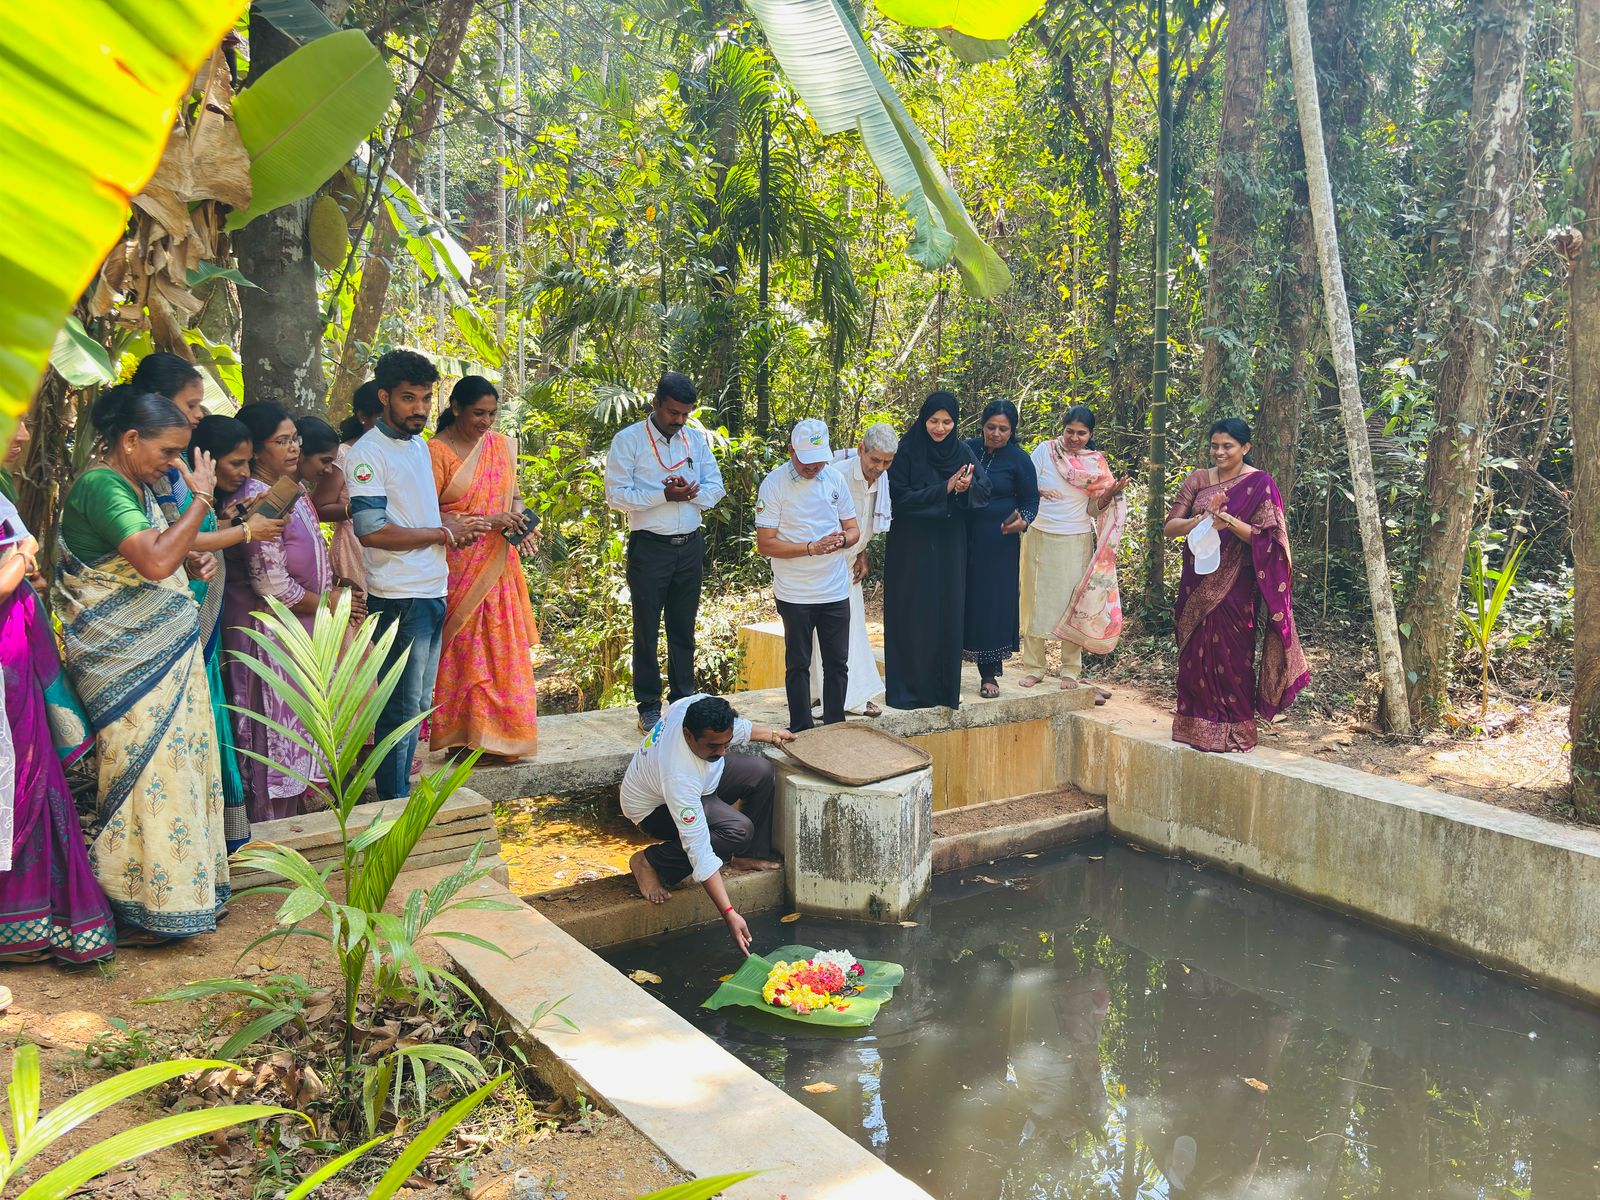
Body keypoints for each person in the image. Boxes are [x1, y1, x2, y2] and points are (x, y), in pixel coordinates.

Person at [55, 386, 229, 942]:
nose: (174, 463)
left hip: (163, 654)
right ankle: (138, 904)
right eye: (168, 451)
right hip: (125, 660)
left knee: (177, 768)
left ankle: (180, 895)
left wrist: (190, 562)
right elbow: (153, 562)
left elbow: (160, 555)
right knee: (147, 773)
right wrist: (200, 500)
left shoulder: (135, 485)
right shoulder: (101, 486)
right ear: (130, 440)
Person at [347, 350, 488, 800]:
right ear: (384, 396)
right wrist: (443, 533)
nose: (420, 409)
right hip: (399, 595)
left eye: (426, 398)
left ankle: (402, 793)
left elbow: (413, 515)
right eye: (409, 398)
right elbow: (370, 531)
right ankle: (393, 805)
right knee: (401, 707)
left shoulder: (416, 447)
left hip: (430, 588)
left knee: (419, 704)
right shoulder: (368, 454)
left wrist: (449, 527)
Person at [0, 465, 114, 965]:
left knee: (28, 776)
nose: (22, 433)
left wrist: (23, 566)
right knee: (17, 779)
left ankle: (28, 922)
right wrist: (22, 554)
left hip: (13, 649)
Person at [1163, 418, 1309, 752]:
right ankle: (1193, 725)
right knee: (1194, 655)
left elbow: (1269, 538)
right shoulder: (1198, 479)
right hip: (1196, 580)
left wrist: (1226, 520)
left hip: (1236, 586)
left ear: (1245, 447)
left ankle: (1235, 730)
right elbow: (1170, 527)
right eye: (1214, 445)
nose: (1219, 452)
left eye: (1227, 446)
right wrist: (1202, 519)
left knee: (1232, 656)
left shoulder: (1260, 483)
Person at [222, 403, 331, 822]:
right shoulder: (257, 499)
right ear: (255, 449)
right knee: (270, 739)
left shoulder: (289, 490)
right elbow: (271, 585)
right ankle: (266, 833)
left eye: (295, 439)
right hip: (265, 636)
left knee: (295, 733)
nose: (293, 448)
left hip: (296, 633)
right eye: (282, 441)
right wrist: (330, 605)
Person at [619, 694, 792, 953]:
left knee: (760, 771)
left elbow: (736, 727)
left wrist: (773, 734)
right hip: (654, 811)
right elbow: (697, 846)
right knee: (737, 830)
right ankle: (650, 861)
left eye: (725, 744)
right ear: (688, 735)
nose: (721, 752)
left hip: (703, 783)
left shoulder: (693, 706)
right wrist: (729, 912)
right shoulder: (679, 775)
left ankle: (745, 856)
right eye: (713, 746)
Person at [604, 371, 726, 731]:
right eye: (673, 412)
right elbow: (616, 495)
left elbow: (716, 486)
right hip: (650, 548)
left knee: (683, 627)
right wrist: (663, 495)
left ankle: (682, 701)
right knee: (646, 628)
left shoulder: (694, 440)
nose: (680, 420)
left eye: (686, 414)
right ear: (656, 403)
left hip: (690, 545)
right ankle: (648, 705)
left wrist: (691, 493)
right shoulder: (629, 440)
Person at [428, 376, 541, 759]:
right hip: (459, 565)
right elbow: (426, 513)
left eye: (492, 414)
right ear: (456, 407)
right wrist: (488, 520)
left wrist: (519, 519)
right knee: (466, 652)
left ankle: (503, 737)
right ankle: (464, 738)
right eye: (478, 413)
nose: (486, 422)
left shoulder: (500, 446)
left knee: (501, 649)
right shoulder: (436, 452)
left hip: (499, 565)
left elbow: (516, 496)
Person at [189, 416, 286, 847]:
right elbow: (185, 541)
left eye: (248, 463)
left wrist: (231, 520)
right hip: (206, 626)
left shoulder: (219, 502)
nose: (244, 473)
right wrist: (245, 529)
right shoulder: (183, 494)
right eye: (235, 463)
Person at [883, 392, 991, 710]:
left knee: (946, 610)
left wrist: (966, 487)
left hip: (948, 544)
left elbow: (985, 489)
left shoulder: (962, 451)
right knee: (912, 611)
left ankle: (943, 689)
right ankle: (909, 690)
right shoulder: (906, 451)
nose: (940, 428)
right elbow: (898, 496)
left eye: (947, 422)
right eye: (934, 421)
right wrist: (944, 488)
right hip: (911, 545)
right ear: (923, 419)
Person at [756, 419, 860, 731]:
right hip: (795, 592)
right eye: (806, 462)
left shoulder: (834, 479)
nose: (814, 467)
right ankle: (801, 728)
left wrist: (843, 540)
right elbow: (765, 544)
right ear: (791, 451)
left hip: (834, 589)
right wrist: (810, 548)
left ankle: (835, 726)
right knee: (798, 664)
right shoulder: (774, 484)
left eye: (819, 461)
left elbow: (853, 528)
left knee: (837, 664)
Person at [1020, 405, 1128, 700]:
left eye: (1082, 433)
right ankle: (1034, 666)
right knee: (1033, 600)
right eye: (1070, 431)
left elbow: (1093, 509)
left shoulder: (1095, 464)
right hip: (1039, 534)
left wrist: (1108, 494)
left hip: (1077, 538)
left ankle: (1070, 669)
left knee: (1075, 602)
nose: (1074, 438)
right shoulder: (1045, 451)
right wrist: (1039, 492)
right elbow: (1024, 485)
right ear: (1062, 429)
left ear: (1090, 434)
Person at [809, 423, 896, 717]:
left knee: (852, 628)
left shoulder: (881, 479)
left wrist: (861, 554)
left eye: (886, 462)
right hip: (824, 563)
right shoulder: (837, 475)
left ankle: (842, 695)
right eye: (875, 460)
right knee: (833, 633)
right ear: (861, 450)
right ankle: (841, 697)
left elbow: (863, 522)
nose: (879, 468)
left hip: (849, 562)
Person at [962, 401, 1039, 698]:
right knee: (959, 597)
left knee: (991, 603)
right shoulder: (966, 449)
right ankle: (946, 667)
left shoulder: (1019, 459)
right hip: (961, 534)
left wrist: (1024, 521)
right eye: (991, 427)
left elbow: (1030, 501)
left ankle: (989, 673)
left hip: (999, 541)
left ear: (1012, 430)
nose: (996, 434)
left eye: (1003, 429)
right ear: (982, 425)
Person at [313, 380, 383, 606]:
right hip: (354, 548)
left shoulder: (399, 453)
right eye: (382, 420)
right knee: (358, 612)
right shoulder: (345, 454)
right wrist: (355, 509)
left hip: (390, 547)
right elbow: (319, 508)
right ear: (363, 417)